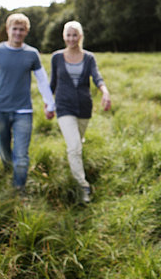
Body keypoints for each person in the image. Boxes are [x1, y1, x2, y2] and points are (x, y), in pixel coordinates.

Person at [0, 13, 56, 195]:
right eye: (15, 29)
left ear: (26, 32)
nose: (18, 33)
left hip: (23, 111)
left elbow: (42, 80)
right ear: (8, 30)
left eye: (22, 30)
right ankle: (8, 168)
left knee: (22, 155)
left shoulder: (32, 54)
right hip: (0, 109)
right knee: (3, 150)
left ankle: (19, 190)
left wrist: (50, 104)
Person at [50, 21, 111, 203]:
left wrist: (105, 91)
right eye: (68, 35)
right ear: (63, 36)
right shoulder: (56, 57)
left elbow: (97, 77)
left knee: (77, 142)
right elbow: (52, 83)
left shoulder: (89, 58)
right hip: (63, 106)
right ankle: (82, 186)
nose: (71, 38)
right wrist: (48, 104)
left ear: (80, 36)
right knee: (75, 147)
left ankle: (75, 156)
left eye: (74, 35)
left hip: (84, 107)